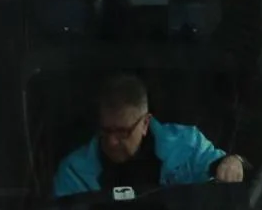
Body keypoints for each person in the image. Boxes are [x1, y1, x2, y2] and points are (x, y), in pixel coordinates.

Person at [52, 73, 247, 198]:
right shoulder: (74, 173)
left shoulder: (188, 146)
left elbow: (229, 168)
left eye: (122, 132)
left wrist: (234, 162)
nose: (111, 141)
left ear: (145, 123)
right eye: (106, 130)